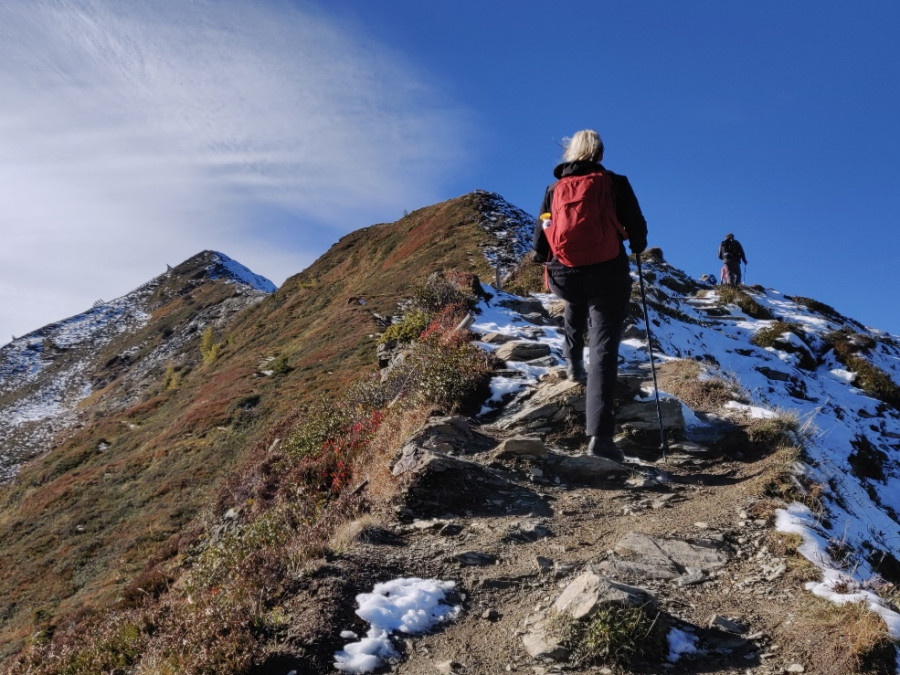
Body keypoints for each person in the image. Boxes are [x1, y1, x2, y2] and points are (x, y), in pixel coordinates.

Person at [532, 129, 648, 461]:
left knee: (574, 297)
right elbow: (637, 229)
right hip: (609, 272)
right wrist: (636, 245)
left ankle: (571, 362)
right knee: (604, 350)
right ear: (599, 153)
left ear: (570, 153)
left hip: (565, 275)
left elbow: (541, 237)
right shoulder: (615, 182)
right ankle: (601, 438)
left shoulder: (553, 189)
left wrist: (546, 257)